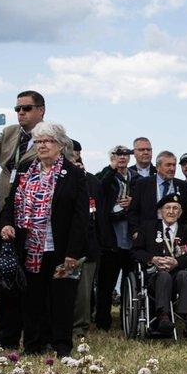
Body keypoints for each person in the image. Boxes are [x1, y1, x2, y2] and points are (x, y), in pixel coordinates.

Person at [0, 122, 88, 357]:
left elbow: (81, 218)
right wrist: (7, 224)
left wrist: (72, 252)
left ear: (60, 145)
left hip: (60, 248)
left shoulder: (75, 174)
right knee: (32, 299)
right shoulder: (25, 170)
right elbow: (10, 203)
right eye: (38, 141)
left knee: (61, 300)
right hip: (30, 247)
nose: (42, 146)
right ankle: (32, 345)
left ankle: (61, 347)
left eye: (47, 141)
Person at [133, 193, 187, 336]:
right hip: (155, 275)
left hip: (180, 276)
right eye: (167, 208)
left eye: (175, 208)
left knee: (184, 274)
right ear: (161, 211)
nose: (171, 211)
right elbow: (135, 251)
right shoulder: (148, 228)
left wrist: (178, 262)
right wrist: (152, 258)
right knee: (164, 276)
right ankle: (163, 318)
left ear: (180, 213)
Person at [0, 90, 45, 221]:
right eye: (17, 109)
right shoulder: (9, 131)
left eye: (26, 108)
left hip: (33, 209)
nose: (21, 112)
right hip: (4, 205)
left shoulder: (51, 136)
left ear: (41, 110)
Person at [94, 145, 136, 331]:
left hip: (131, 238)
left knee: (130, 282)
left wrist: (132, 202)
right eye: (117, 155)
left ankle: (127, 318)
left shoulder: (136, 177)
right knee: (106, 284)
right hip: (111, 239)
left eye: (125, 154)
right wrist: (111, 168)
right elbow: (98, 189)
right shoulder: (105, 175)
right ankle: (103, 321)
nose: (122, 158)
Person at [70, 142, 101, 339]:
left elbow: (99, 213)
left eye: (75, 156)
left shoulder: (90, 180)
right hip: (62, 242)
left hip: (88, 243)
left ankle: (80, 327)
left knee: (83, 291)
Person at [127, 150, 187, 237]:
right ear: (158, 167)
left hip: (175, 237)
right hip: (147, 236)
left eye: (174, 165)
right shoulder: (142, 184)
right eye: (168, 165)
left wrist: (185, 233)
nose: (172, 168)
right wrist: (135, 232)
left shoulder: (183, 186)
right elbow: (133, 212)